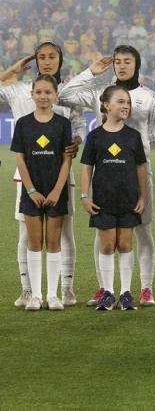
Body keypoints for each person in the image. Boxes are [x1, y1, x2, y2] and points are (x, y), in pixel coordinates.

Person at [59, 46, 155, 307]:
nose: (121, 66)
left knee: (142, 228)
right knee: (103, 230)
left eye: (127, 61)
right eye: (117, 61)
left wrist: (135, 153)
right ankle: (104, 288)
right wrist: (90, 72)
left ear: (136, 64)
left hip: (138, 173)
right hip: (105, 173)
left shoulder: (149, 97)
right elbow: (65, 94)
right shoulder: (101, 91)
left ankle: (146, 287)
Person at [1, 43, 85, 308]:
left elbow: (80, 126)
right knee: (27, 235)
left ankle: (65, 288)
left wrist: (76, 141)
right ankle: (28, 290)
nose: (47, 61)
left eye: (52, 56)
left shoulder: (69, 92)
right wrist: (11, 71)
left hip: (59, 172)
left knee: (64, 233)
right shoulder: (19, 89)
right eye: (42, 57)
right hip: (28, 175)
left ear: (61, 59)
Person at [80, 86, 148, 311]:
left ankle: (125, 293)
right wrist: (84, 196)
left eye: (127, 102)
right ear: (107, 105)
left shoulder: (133, 136)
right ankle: (108, 293)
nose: (126, 106)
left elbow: (140, 167)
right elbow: (87, 168)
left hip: (128, 200)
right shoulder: (95, 136)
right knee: (108, 245)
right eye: (120, 102)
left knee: (125, 244)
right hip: (103, 201)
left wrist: (142, 196)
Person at [11, 74, 73, 311]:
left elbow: (67, 160)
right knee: (35, 242)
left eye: (48, 92)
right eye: (39, 92)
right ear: (32, 94)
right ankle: (36, 296)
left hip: (56, 191)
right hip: (32, 192)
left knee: (54, 242)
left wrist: (57, 190)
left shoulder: (63, 124)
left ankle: (52, 295)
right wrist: (31, 190)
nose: (43, 96)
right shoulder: (23, 124)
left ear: (56, 95)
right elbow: (20, 159)